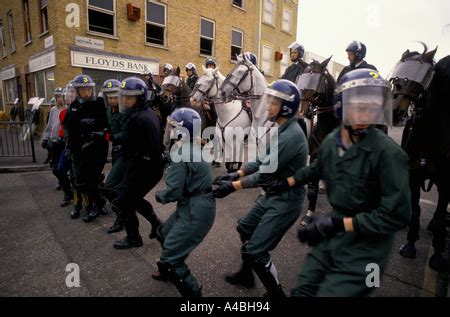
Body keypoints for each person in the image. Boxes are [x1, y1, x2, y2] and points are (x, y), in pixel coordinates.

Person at [259, 69, 411, 296]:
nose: (365, 112)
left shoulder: (388, 153)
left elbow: (395, 215)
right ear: (342, 104)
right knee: (303, 290)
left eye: (371, 105)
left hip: (368, 248)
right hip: (333, 231)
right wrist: (287, 182)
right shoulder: (332, 141)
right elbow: (316, 169)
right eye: (358, 104)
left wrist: (337, 225)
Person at [213, 80, 309, 298]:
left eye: (273, 103)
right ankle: (247, 276)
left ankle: (276, 294)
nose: (267, 107)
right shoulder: (282, 129)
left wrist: (233, 187)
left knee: (256, 252)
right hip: (274, 195)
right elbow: (260, 160)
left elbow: (264, 174)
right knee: (245, 229)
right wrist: (236, 173)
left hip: (286, 201)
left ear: (286, 106)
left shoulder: (291, 135)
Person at [152, 108, 215, 298]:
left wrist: (160, 196)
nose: (169, 130)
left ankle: (195, 298)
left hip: (196, 209)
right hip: (193, 204)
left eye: (172, 127)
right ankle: (167, 272)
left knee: (172, 257)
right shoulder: (190, 145)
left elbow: (173, 191)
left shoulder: (181, 151)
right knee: (163, 233)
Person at [112, 77, 164, 249]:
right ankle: (157, 224)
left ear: (139, 98)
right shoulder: (146, 112)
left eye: (130, 97)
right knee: (132, 198)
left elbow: (129, 149)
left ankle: (134, 238)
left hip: (145, 166)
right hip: (150, 166)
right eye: (124, 96)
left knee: (123, 199)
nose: (125, 100)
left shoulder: (138, 118)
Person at [64, 75, 109, 223]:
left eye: (89, 89)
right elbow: (70, 128)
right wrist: (69, 147)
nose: (87, 93)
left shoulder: (99, 102)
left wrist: (95, 123)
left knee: (94, 178)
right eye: (83, 90)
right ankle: (87, 205)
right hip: (79, 148)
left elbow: (105, 122)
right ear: (77, 91)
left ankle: (98, 204)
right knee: (81, 179)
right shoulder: (74, 106)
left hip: (97, 147)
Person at [99, 79, 128, 234]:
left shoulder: (126, 111)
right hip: (116, 152)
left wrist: (110, 136)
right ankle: (125, 211)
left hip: (126, 153)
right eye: (109, 97)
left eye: (114, 96)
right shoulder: (109, 111)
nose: (112, 100)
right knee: (119, 186)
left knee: (110, 185)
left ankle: (122, 217)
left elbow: (126, 134)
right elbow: (107, 126)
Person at [42, 87, 73, 207]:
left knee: (65, 167)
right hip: (56, 142)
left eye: (62, 96)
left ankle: (69, 191)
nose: (60, 99)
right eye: (58, 97)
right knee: (56, 168)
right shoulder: (54, 110)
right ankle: (65, 187)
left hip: (66, 143)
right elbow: (50, 126)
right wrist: (45, 138)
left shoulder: (69, 109)